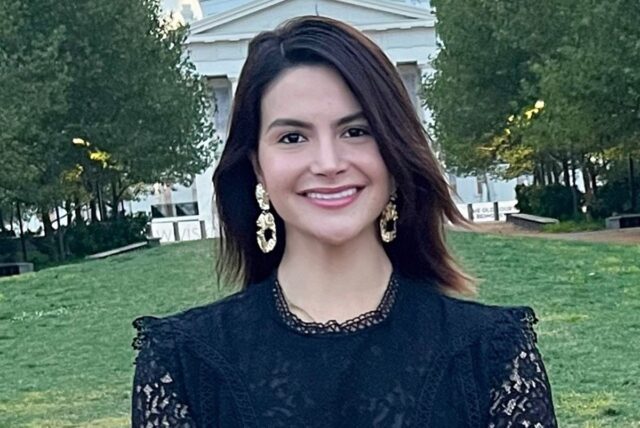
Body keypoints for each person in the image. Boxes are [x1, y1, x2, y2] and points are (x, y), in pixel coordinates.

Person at [131, 16, 557, 427]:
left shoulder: (492, 354)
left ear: (393, 151)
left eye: (355, 131)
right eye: (292, 137)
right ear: (258, 166)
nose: (329, 163)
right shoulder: (182, 365)